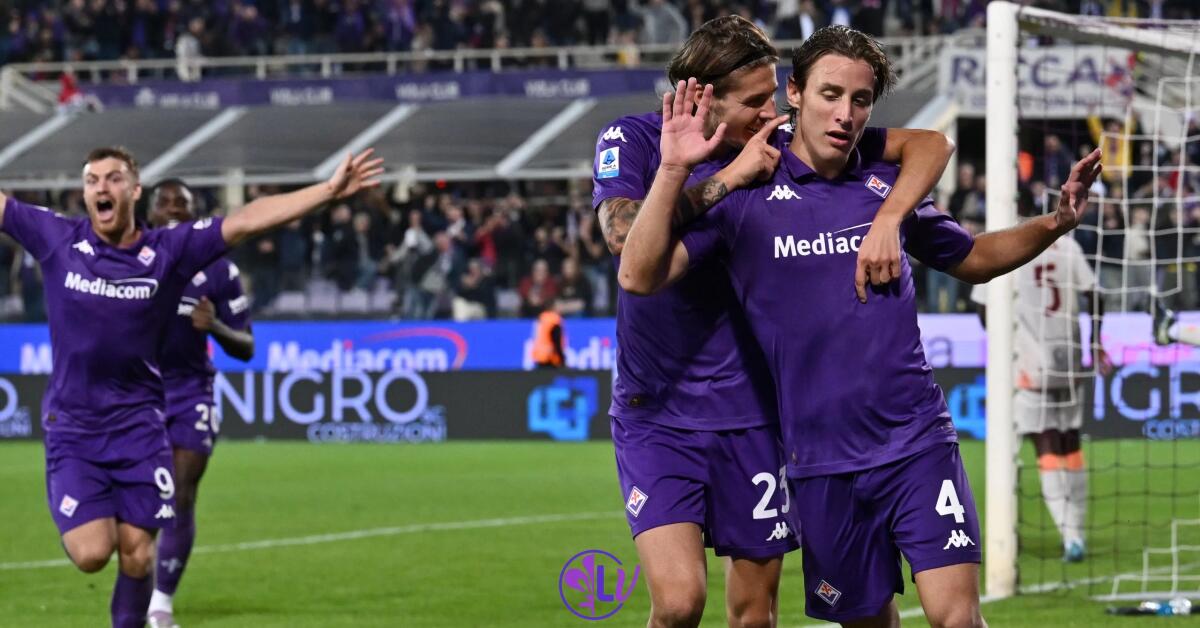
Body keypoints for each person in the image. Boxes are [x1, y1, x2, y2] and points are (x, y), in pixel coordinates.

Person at [618, 25, 1103, 627]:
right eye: (829, 94)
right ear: (793, 93)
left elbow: (972, 258)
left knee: (956, 618)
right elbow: (639, 276)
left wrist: (1053, 222)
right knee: (868, 620)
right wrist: (674, 171)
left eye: (861, 100)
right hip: (819, 461)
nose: (844, 114)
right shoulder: (746, 190)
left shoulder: (882, 183)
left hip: (915, 440)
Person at [594, 16, 955, 628]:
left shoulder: (788, 147)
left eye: (774, 96)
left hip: (756, 412)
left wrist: (891, 216)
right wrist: (715, 177)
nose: (770, 115)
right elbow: (626, 243)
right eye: (755, 102)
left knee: (755, 613)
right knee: (679, 602)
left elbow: (926, 144)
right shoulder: (634, 140)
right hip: (657, 410)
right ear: (701, 96)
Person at [0, 146, 382, 628]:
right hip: (74, 427)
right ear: (84, 191)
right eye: (92, 179)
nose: (102, 187)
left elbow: (246, 221)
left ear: (134, 191)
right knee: (93, 554)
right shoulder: (57, 238)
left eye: (114, 178)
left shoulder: (168, 252)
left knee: (138, 556)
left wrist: (327, 191)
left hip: (140, 426)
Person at [971, 190, 1112, 563]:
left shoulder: (1009, 249)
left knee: (1043, 445)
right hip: (1069, 361)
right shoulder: (1069, 249)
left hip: (1030, 364)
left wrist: (1005, 344)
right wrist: (1096, 343)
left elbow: (981, 307)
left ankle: (1066, 537)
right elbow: (1097, 295)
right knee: (1071, 445)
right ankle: (1076, 530)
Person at [143, 179, 255, 628]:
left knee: (181, 491)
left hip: (191, 389)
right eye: (164, 202)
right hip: (137, 391)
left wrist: (216, 328)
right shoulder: (129, 260)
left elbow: (246, 345)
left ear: (195, 215)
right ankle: (138, 576)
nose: (173, 210)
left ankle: (161, 605)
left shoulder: (218, 270)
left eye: (182, 205)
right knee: (141, 498)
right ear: (148, 212)